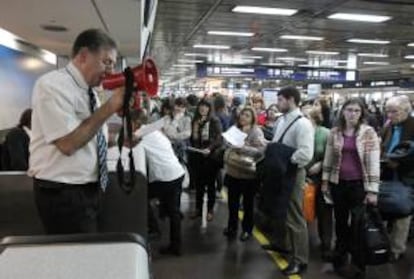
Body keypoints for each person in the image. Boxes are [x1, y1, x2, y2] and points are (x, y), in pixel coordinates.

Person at [29, 29, 124, 234]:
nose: (110, 71)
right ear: (83, 56)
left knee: (86, 254)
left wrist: (122, 140)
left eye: (113, 64)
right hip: (63, 192)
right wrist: (110, 107)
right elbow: (68, 144)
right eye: (106, 62)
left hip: (89, 188)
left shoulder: (89, 92)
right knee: (76, 258)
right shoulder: (52, 86)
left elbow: (93, 136)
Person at [107, 109, 185, 256]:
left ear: (136, 122)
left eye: (127, 122)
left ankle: (154, 229)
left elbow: (123, 142)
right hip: (176, 173)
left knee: (142, 197)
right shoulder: (154, 132)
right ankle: (176, 246)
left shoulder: (142, 132)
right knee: (174, 212)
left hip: (166, 177)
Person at [322, 98, 380, 279]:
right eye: (349, 110)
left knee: (357, 226)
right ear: (343, 111)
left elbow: (373, 162)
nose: (352, 114)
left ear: (362, 113)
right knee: (340, 222)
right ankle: (340, 258)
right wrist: (325, 180)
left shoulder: (368, 132)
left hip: (359, 186)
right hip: (338, 184)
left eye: (356, 110)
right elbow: (329, 157)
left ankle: (358, 264)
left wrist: (372, 190)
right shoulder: (335, 132)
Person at [262, 86, 314, 276]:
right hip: (281, 172)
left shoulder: (303, 124)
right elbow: (279, 142)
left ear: (291, 99)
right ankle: (282, 244)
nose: (278, 103)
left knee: (294, 215)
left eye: (281, 99)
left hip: (293, 173)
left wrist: (285, 160)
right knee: (281, 210)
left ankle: (300, 260)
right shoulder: (282, 119)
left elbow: (306, 154)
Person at [223, 107, 266, 241]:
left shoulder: (256, 131)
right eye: (242, 115)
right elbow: (226, 142)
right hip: (233, 172)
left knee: (248, 205)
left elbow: (260, 151)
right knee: (232, 203)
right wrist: (229, 143)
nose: (243, 117)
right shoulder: (235, 129)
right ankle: (232, 227)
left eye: (247, 115)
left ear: (253, 118)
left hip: (248, 175)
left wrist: (243, 148)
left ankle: (247, 230)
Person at [382, 95, 414, 262]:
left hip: (407, 175)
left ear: (406, 111)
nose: (389, 115)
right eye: (387, 111)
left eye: (394, 111)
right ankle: (386, 243)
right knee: (388, 208)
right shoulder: (389, 126)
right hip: (387, 172)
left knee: (403, 212)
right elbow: (383, 144)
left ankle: (397, 248)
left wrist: (401, 162)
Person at [302, 106, 333, 261]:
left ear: (314, 118)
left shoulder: (326, 133)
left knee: (324, 211)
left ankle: (326, 244)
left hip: (321, 178)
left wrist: (321, 164)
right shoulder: (301, 133)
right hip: (302, 176)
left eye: (306, 116)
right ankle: (299, 242)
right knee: (303, 209)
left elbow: (332, 154)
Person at [189, 99, 222, 221]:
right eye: (201, 106)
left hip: (210, 158)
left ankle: (210, 210)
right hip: (197, 156)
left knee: (211, 186)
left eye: (206, 106)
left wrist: (209, 148)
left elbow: (219, 138)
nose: (203, 108)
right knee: (199, 186)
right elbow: (192, 137)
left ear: (209, 108)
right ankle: (198, 209)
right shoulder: (195, 121)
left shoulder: (214, 120)